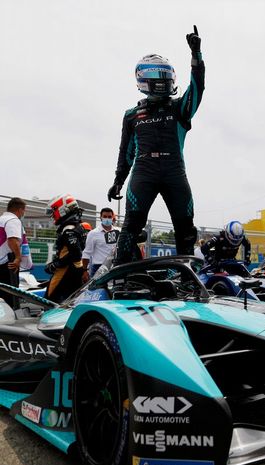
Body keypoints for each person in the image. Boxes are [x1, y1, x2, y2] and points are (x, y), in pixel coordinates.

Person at [108, 25, 205, 264]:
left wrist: (196, 56)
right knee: (131, 226)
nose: (163, 81)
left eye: (166, 76)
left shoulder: (179, 108)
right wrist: (118, 180)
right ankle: (120, 274)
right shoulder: (132, 115)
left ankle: (186, 276)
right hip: (144, 172)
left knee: (185, 229)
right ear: (146, 79)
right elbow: (126, 152)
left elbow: (197, 88)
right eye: (158, 77)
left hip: (174, 172)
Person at [44, 194, 87, 302]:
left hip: (66, 271)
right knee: (72, 301)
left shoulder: (69, 230)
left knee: (49, 299)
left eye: (54, 211)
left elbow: (76, 254)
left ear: (62, 209)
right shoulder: (79, 226)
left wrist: (55, 265)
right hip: (77, 270)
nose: (53, 215)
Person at [0, 198, 27, 308]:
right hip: (7, 263)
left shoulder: (1, 219)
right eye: (24, 210)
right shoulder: (13, 220)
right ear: (20, 210)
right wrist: (17, 258)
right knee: (11, 296)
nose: (24, 213)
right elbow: (12, 240)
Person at [81, 208, 120, 279]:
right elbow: (86, 253)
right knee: (97, 290)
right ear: (100, 217)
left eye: (109, 217)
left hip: (115, 267)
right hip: (98, 268)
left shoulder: (118, 232)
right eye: (105, 216)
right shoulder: (93, 233)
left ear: (112, 218)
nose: (107, 219)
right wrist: (84, 271)